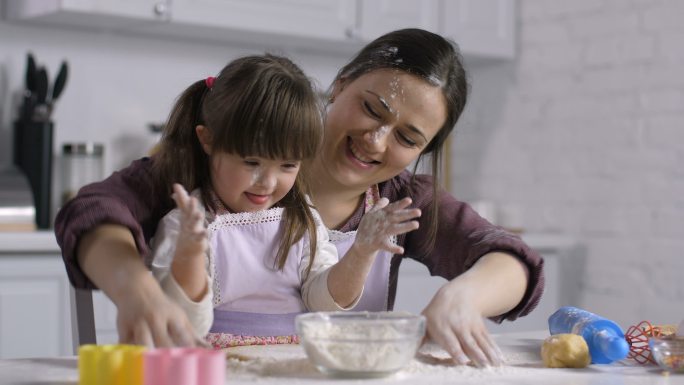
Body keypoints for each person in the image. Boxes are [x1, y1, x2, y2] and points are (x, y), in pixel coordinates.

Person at [55, 29, 544, 367]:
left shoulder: (402, 200)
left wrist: (465, 297)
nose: (376, 140)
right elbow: (96, 212)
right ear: (340, 84)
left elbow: (509, 259)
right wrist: (136, 290)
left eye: (407, 138)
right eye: (372, 109)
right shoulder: (205, 173)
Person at [145, 54, 421, 347]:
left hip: (292, 365)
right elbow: (184, 324)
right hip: (219, 367)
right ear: (208, 140)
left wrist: (361, 253)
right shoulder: (188, 225)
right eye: (251, 162)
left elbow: (323, 305)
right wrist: (188, 258)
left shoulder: (302, 219)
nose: (268, 182)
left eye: (288, 165)